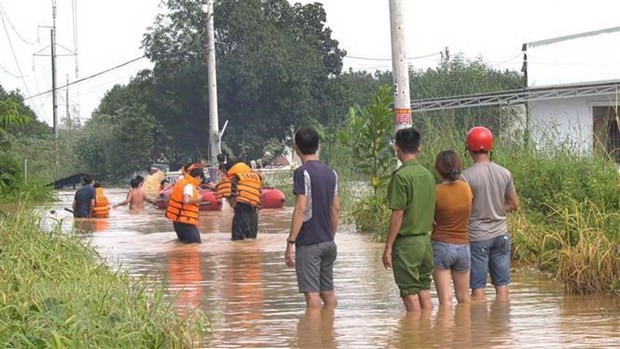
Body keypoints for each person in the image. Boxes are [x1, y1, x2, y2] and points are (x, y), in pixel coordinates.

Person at [460, 126, 520, 301]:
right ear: (490, 147)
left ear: (468, 148)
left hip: (478, 236)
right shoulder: (504, 173)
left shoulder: (466, 177)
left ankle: (480, 328)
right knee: (502, 285)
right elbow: (514, 204)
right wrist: (498, 209)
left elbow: (464, 209)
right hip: (501, 235)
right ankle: (501, 324)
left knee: (478, 287)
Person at [285, 126, 339, 309]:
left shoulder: (302, 173)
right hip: (328, 242)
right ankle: (330, 332)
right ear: (318, 146)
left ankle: (312, 335)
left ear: (296, 148)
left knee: (312, 295)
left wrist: (290, 242)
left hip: (309, 243)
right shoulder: (332, 173)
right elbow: (336, 209)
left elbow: (301, 208)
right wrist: (330, 236)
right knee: (327, 292)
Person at [382, 127, 436, 313]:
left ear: (397, 149)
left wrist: (388, 247)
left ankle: (413, 336)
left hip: (407, 245)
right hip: (425, 242)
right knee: (424, 289)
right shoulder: (428, 175)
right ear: (419, 148)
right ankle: (428, 333)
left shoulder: (401, 177)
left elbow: (398, 214)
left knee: (409, 293)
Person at [431, 150, 472, 305]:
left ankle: (445, 329)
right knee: (464, 299)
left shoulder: (436, 191)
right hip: (463, 246)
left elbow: (430, 218)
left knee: (446, 301)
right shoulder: (467, 189)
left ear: (438, 169)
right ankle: (465, 328)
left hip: (441, 245)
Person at [215, 158, 262, 240]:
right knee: (251, 242)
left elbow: (232, 203)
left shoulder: (233, 179)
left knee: (237, 243)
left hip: (241, 214)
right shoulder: (253, 177)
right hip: (254, 215)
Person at [165, 166, 205, 244]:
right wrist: (198, 199)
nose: (200, 182)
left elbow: (170, 197)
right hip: (187, 221)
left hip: (177, 220)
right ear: (197, 177)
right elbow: (186, 200)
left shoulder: (181, 182)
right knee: (195, 245)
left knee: (183, 244)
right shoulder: (189, 186)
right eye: (201, 180)